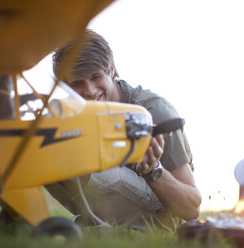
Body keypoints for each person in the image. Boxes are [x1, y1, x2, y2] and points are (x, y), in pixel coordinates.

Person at [47, 30, 201, 230]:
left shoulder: (154, 111)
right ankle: (90, 221)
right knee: (43, 151)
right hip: (106, 206)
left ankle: (134, 226)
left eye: (96, 77)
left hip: (162, 216)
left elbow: (191, 209)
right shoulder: (70, 111)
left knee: (97, 168)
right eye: (77, 83)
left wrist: (152, 170)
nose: (90, 91)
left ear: (111, 69)